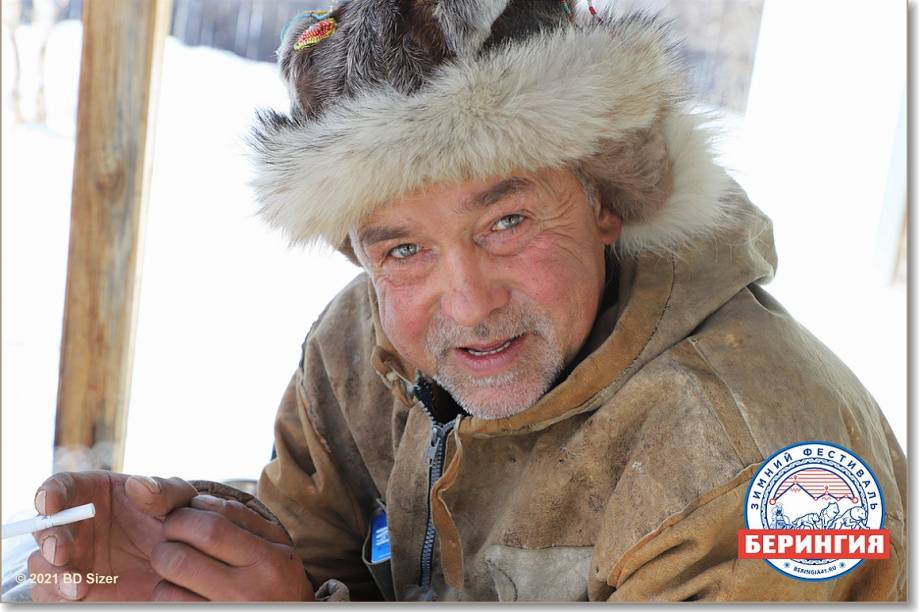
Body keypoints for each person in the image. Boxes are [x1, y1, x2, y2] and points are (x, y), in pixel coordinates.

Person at [24, 0, 906, 602]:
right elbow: (316, 550)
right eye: (403, 250)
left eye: (507, 221)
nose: (469, 303)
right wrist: (193, 558)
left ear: (605, 200)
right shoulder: (358, 350)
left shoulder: (753, 463)